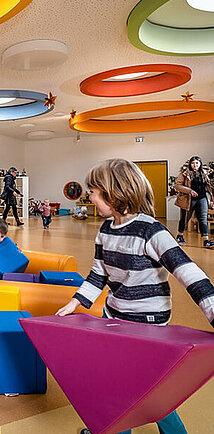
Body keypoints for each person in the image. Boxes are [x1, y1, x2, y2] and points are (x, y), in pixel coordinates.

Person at [56, 158, 214, 434]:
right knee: (123, 383)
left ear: (114, 192)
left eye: (93, 191)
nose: (89, 196)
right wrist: (76, 301)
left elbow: (188, 273)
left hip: (148, 324)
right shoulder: (105, 231)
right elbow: (98, 274)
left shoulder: (151, 230)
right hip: (115, 317)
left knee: (146, 388)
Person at [175, 156, 214, 248]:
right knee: (185, 218)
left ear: (200, 164)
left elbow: (208, 186)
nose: (195, 165)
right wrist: (190, 191)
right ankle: (180, 236)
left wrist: (211, 200)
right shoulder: (184, 173)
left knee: (203, 219)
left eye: (197, 163)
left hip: (202, 198)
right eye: (193, 163)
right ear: (190, 164)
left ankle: (206, 240)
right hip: (189, 199)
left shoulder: (203, 173)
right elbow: (177, 186)